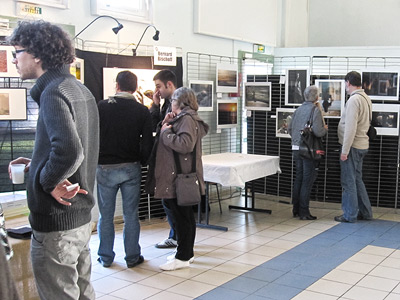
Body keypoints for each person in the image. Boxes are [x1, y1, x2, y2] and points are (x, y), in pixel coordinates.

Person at [8, 21, 99, 300]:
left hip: (57, 221)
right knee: (82, 292)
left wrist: (47, 181)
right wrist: (37, 162)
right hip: (79, 216)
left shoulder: (54, 92)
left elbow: (71, 151)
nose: (13, 59)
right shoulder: (79, 89)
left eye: (17, 52)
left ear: (36, 54)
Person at [96, 71, 153, 268]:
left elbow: (93, 135)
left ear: (117, 86)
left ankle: (105, 257)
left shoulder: (102, 107)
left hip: (105, 166)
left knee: (106, 215)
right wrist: (143, 161)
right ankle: (132, 257)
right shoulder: (142, 111)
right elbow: (147, 143)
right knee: (131, 215)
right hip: (131, 167)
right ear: (135, 88)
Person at [150, 87, 208, 271]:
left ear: (180, 102)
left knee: (182, 218)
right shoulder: (183, 118)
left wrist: (166, 132)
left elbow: (185, 144)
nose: (171, 104)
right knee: (183, 217)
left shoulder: (187, 119)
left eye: (173, 101)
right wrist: (166, 124)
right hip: (178, 176)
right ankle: (186, 254)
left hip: (179, 177)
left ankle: (183, 256)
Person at [335, 71, 373, 223]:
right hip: (362, 144)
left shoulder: (353, 100)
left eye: (345, 84)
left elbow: (350, 128)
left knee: (348, 182)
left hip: (353, 147)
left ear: (348, 83)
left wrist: (345, 151)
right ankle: (366, 212)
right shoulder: (366, 98)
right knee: (357, 180)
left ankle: (349, 215)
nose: (345, 86)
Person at [288, 85, 328, 220]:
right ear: (316, 97)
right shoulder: (315, 110)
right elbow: (318, 131)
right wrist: (325, 129)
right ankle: (304, 212)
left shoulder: (298, 110)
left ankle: (296, 209)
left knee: (299, 178)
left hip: (295, 148)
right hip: (308, 150)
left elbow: (290, 129)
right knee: (307, 179)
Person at [150, 70, 179, 249]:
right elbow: (158, 126)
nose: (157, 90)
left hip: (173, 160)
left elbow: (170, 132)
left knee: (172, 201)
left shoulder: (178, 105)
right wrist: (155, 105)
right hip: (166, 158)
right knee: (168, 200)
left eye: (158, 86)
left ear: (169, 84)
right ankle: (176, 236)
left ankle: (177, 238)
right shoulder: (167, 104)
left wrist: (164, 129)